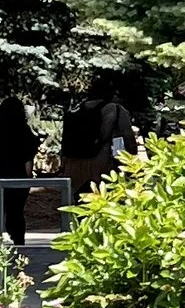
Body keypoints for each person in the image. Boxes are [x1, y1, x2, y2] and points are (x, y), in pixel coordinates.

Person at [58, 70, 144, 206]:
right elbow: (129, 142)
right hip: (102, 168)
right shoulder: (115, 110)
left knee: (81, 210)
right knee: (107, 208)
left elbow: (65, 143)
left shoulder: (75, 111)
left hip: (76, 168)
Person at [0, 93, 40, 254]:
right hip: (17, 176)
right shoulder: (24, 131)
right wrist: (28, 178)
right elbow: (28, 157)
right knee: (16, 213)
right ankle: (19, 244)